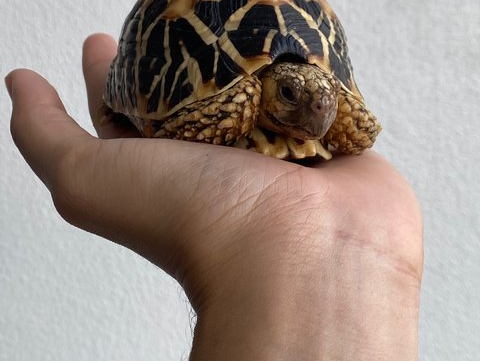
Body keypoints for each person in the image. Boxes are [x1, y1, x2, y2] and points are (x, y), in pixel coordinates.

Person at [6, 33, 423, 360]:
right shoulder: (244, 96)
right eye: (289, 96)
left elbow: (353, 125)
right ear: (263, 89)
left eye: (326, 103)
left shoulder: (318, 101)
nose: (316, 112)